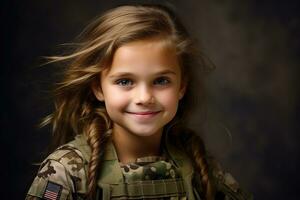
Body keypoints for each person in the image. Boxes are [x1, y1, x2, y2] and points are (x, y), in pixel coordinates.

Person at [26, 4, 252, 200]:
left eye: (161, 80)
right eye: (125, 81)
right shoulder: (67, 171)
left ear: (182, 86)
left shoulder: (197, 163)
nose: (144, 98)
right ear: (98, 87)